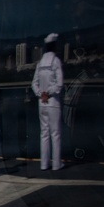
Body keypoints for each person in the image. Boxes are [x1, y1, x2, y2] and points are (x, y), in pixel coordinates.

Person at [32, 33, 64, 171]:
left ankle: (44, 164)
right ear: (55, 45)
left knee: (44, 134)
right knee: (55, 134)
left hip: (42, 103)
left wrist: (41, 94)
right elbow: (60, 84)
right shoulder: (55, 61)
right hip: (52, 103)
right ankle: (56, 164)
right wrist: (48, 93)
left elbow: (34, 83)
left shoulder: (40, 63)